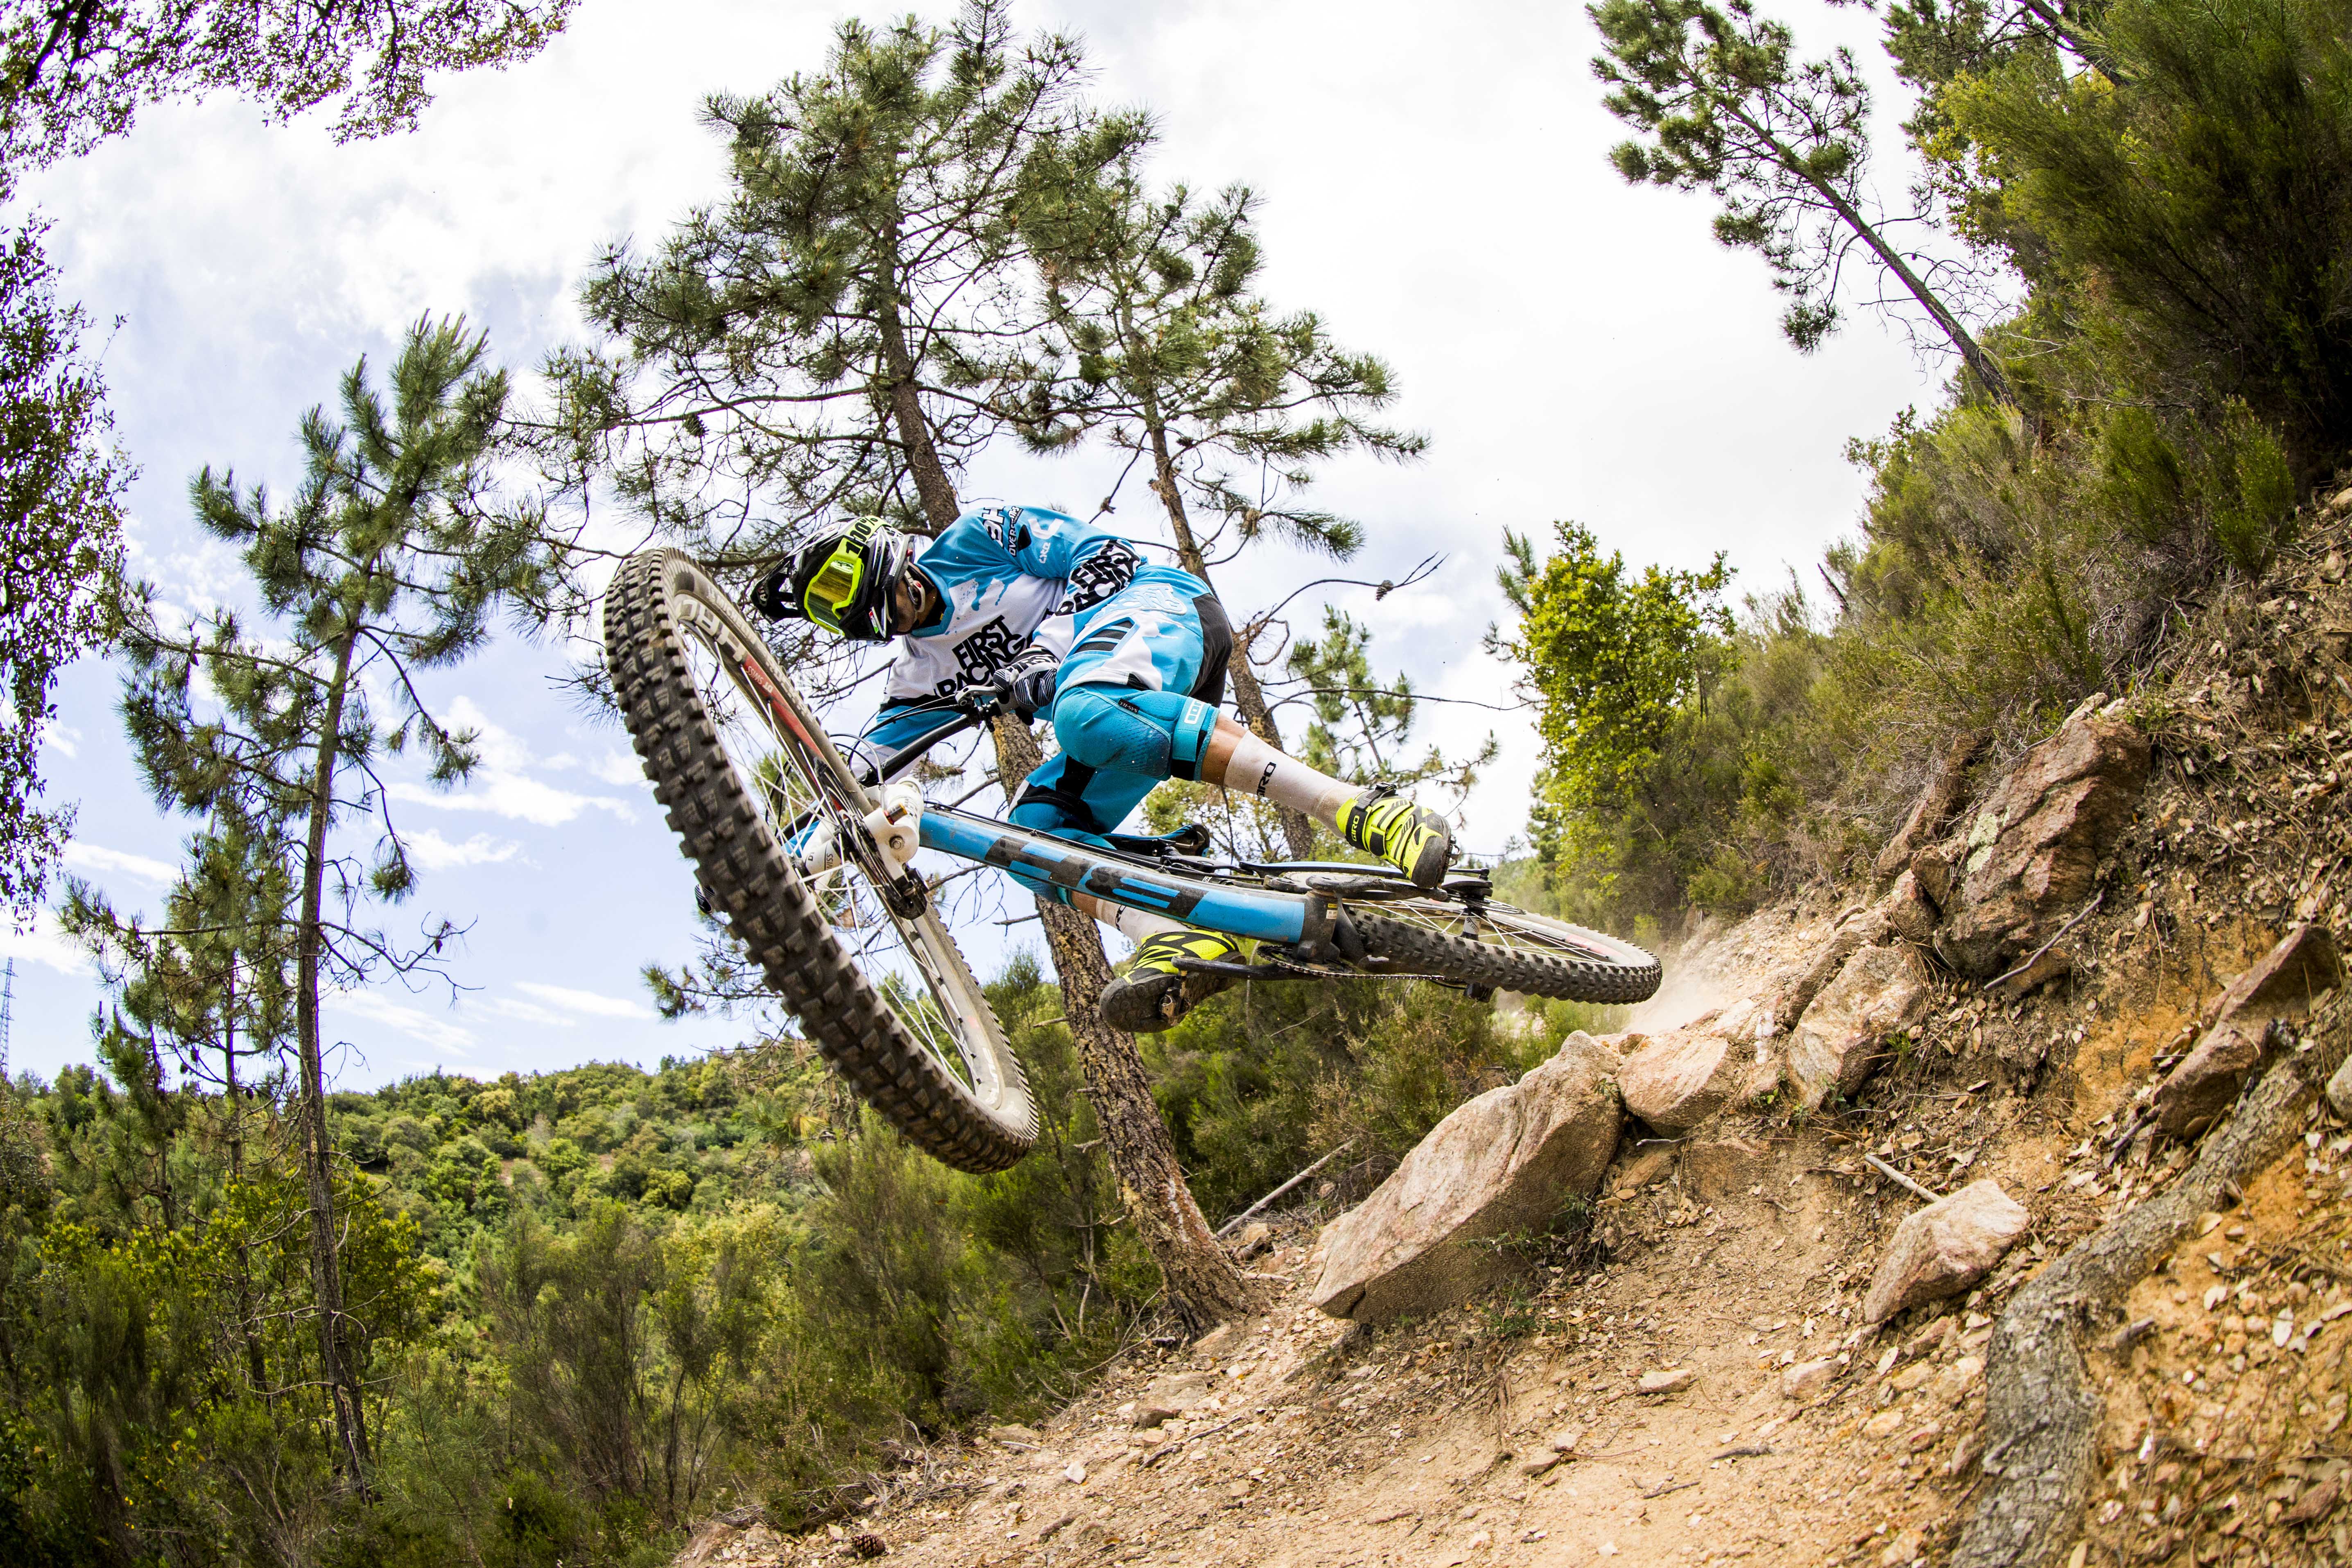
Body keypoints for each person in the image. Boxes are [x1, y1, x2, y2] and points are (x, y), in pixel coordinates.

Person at [750, 503, 1455, 1032]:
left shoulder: (975, 539)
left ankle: (1362, 808)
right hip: (1130, 711)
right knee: (1031, 841)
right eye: (838, 615)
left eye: (850, 588)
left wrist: (1046, 652)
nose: (886, 617)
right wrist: (756, 859)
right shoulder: (916, 679)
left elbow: (1104, 557)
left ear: (878, 551)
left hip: (1161, 607)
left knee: (1080, 711)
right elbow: (855, 774)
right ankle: (1173, 938)